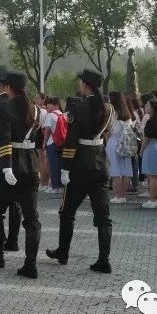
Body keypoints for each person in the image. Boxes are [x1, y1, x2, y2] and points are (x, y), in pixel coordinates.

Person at [47, 69, 115, 274]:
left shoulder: (78, 107)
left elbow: (72, 139)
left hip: (80, 166)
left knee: (67, 212)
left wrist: (65, 168)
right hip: (100, 163)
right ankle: (104, 259)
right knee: (103, 217)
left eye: (81, 82)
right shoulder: (109, 108)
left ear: (86, 85)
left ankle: (63, 252)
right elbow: (107, 131)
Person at [0, 68, 41, 278]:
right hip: (31, 167)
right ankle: (30, 264)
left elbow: (4, 137)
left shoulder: (5, 106)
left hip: (11, 167)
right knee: (32, 219)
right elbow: (36, 141)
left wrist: (6, 166)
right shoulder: (36, 109)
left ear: (8, 87)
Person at [106, 91, 134, 204]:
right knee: (126, 170)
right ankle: (123, 196)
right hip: (126, 143)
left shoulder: (113, 114)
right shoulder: (127, 114)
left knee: (115, 171)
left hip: (114, 143)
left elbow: (109, 131)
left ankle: (117, 196)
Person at [140, 99, 157, 208]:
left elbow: (146, 139)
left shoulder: (150, 122)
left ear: (153, 108)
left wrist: (141, 150)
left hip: (151, 147)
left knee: (152, 176)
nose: (145, 107)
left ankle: (152, 200)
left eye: (147, 105)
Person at [44, 97, 65, 195]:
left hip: (52, 142)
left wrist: (44, 143)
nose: (47, 107)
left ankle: (55, 187)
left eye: (49, 105)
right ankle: (61, 186)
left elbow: (47, 131)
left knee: (53, 165)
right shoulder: (61, 114)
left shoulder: (50, 115)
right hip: (62, 142)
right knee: (60, 165)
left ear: (54, 105)